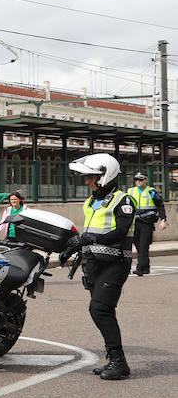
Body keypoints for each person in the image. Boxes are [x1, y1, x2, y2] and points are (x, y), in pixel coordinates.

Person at [59, 154, 135, 379]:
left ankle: (119, 362)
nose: (87, 181)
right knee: (103, 311)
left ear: (105, 175)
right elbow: (90, 233)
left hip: (116, 262)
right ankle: (115, 360)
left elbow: (119, 232)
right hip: (94, 264)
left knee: (99, 309)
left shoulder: (124, 200)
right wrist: (72, 248)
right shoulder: (91, 201)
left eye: (90, 177)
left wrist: (89, 239)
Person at [126, 173, 166, 277]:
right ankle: (146, 267)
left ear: (146, 180)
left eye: (140, 179)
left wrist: (163, 220)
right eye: (136, 180)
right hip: (134, 223)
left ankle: (140, 268)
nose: (138, 181)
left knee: (143, 246)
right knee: (138, 245)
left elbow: (160, 206)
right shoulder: (131, 191)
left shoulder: (151, 192)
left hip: (147, 223)